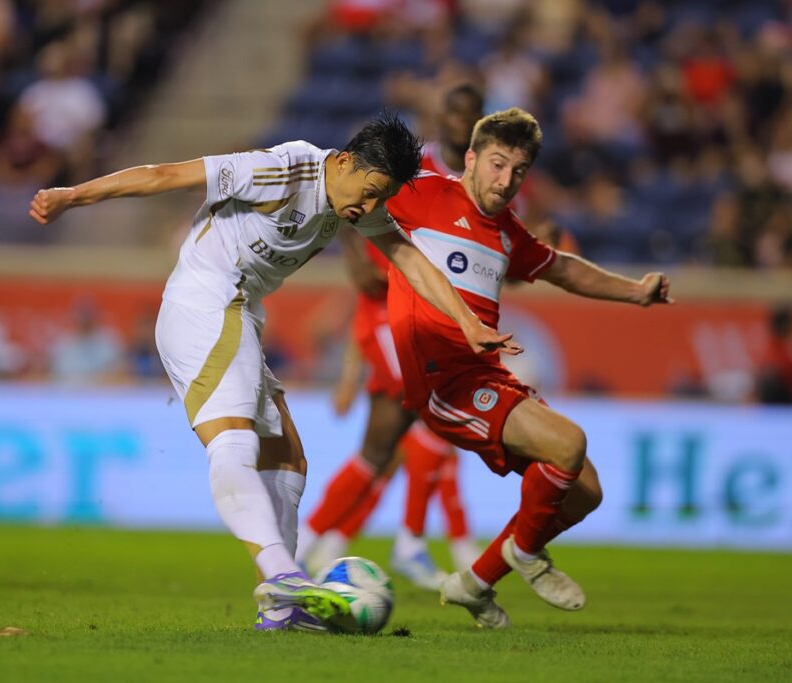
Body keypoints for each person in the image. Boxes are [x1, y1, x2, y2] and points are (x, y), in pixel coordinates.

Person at [28, 112, 520, 632]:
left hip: (237, 312)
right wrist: (71, 196)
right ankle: (283, 576)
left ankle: (283, 607)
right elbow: (165, 175)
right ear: (345, 161)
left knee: (288, 459)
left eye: (382, 200)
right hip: (204, 302)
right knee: (235, 442)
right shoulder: (282, 170)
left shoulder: (352, 201)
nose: (370, 208)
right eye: (371, 192)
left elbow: (407, 256)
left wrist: (467, 321)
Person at [382, 107, 673, 629]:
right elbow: (350, 197)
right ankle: (528, 556)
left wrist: (635, 292)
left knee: (585, 491)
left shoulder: (507, 233)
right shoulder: (420, 193)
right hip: (442, 381)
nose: (505, 180)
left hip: (486, 376)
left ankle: (473, 583)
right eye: (496, 165)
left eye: (517, 172)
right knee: (568, 443)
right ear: (470, 159)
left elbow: (561, 268)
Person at [297, 84, 486, 589]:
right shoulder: (411, 167)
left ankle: (346, 538)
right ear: (441, 114)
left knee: (412, 437)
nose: (457, 119)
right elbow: (349, 196)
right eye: (451, 109)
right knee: (394, 437)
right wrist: (356, 259)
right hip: (389, 305)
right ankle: (331, 538)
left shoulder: (478, 182)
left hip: (426, 308)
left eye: (468, 113)